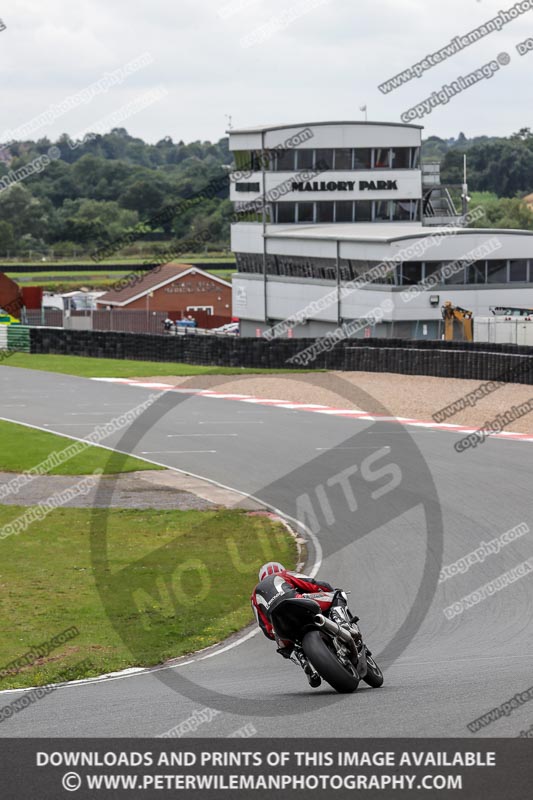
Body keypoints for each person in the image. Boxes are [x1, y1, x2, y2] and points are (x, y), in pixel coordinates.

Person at [251, 562, 358, 688]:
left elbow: (264, 626)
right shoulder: (283, 574)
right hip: (298, 603)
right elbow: (312, 583)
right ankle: (341, 622)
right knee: (337, 595)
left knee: (289, 642)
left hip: (279, 625)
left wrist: (274, 634)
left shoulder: (254, 597)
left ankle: (304, 660)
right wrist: (328, 590)